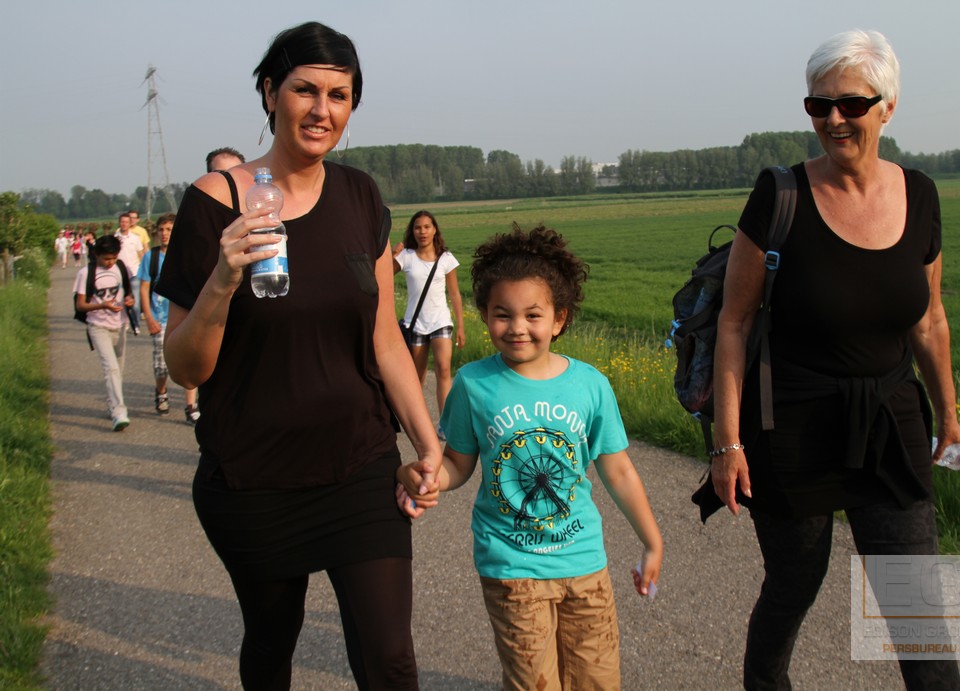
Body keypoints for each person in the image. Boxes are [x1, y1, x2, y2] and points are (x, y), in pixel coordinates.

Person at [154, 21, 439, 690]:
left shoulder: (360, 195)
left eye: (340, 95)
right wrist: (223, 278)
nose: (322, 110)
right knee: (272, 640)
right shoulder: (214, 202)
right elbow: (186, 366)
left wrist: (428, 443)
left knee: (390, 657)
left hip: (360, 463)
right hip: (255, 475)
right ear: (269, 93)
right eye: (305, 90)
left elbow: (384, 338)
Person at [708, 29, 960, 690]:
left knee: (918, 607)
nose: (833, 119)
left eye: (851, 104)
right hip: (791, 424)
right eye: (818, 105)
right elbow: (734, 322)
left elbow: (929, 318)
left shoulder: (921, 195)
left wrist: (949, 417)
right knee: (794, 583)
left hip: (891, 420)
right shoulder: (780, 195)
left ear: (888, 107)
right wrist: (727, 442)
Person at [397, 224, 663, 691]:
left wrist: (652, 541)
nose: (517, 327)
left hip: (584, 565)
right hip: (511, 569)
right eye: (503, 314)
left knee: (598, 681)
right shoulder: (473, 385)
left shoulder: (591, 385)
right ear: (484, 315)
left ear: (559, 318)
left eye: (533, 315)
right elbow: (458, 464)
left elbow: (619, 470)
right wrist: (429, 476)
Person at [392, 210, 466, 422]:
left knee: (444, 369)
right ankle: (419, 422)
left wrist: (460, 326)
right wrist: (392, 254)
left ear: (434, 230)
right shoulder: (406, 256)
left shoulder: (446, 258)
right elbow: (381, 275)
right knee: (418, 376)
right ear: (412, 231)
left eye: (426, 227)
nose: (422, 232)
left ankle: (445, 422)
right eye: (418, 227)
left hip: (440, 321)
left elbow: (455, 294)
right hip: (415, 323)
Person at [138, 213, 201, 425]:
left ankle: (191, 406)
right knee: (162, 365)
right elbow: (144, 288)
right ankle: (161, 391)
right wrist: (148, 317)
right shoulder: (151, 257)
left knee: (189, 360)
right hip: (159, 317)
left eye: (169, 230)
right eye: (161, 230)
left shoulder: (187, 256)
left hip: (185, 316)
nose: (164, 234)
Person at [73, 234, 135, 431]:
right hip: (97, 326)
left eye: (114, 258)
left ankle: (112, 404)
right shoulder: (86, 273)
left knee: (118, 370)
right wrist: (103, 305)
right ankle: (119, 413)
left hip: (120, 324)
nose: (110, 262)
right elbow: (80, 305)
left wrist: (130, 300)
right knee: (111, 369)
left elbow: (129, 292)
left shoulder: (121, 268)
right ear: (97, 255)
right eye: (106, 258)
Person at [115, 212, 145, 333]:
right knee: (121, 300)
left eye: (126, 222)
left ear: (130, 223)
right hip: (120, 274)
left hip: (134, 272)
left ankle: (136, 324)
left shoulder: (135, 238)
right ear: (119, 223)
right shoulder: (115, 238)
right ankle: (125, 321)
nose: (124, 224)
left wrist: (144, 270)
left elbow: (141, 254)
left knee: (135, 301)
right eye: (122, 222)